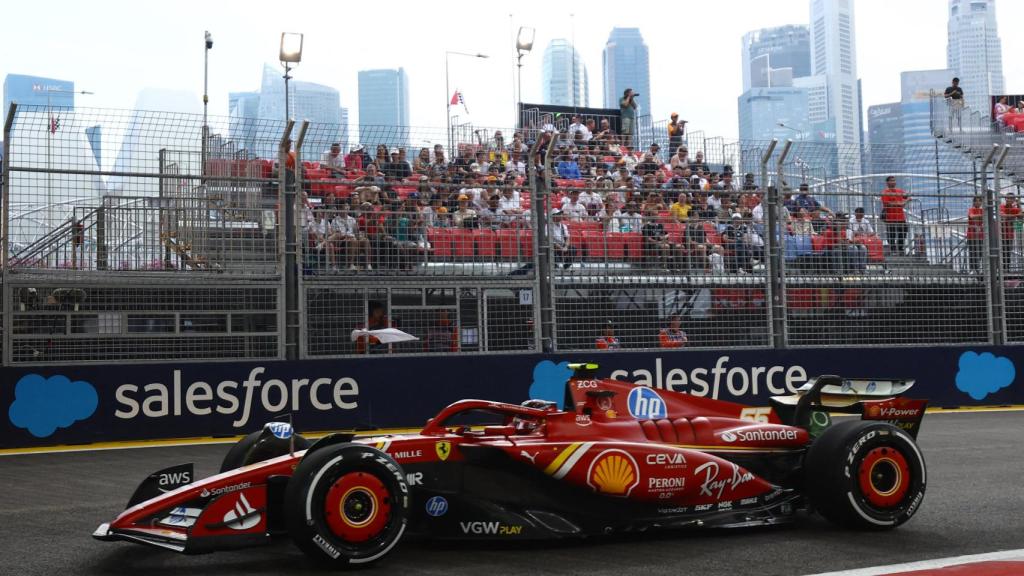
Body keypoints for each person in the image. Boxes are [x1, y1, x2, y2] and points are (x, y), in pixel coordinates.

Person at [881, 176, 909, 255]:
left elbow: (905, 197)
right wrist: (901, 203)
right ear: (887, 183)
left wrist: (904, 200)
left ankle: (900, 248)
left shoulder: (899, 191)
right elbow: (887, 204)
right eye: (891, 180)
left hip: (900, 217)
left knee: (903, 231)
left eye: (894, 180)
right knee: (891, 234)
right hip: (890, 217)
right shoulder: (885, 192)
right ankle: (893, 249)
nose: (893, 182)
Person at [1001, 194, 1022, 272]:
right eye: (1008, 198)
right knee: (1002, 251)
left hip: (1009, 234)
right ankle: (1002, 269)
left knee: (1007, 252)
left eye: (1011, 199)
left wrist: (1019, 205)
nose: (1009, 200)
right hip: (1000, 234)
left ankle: (1006, 269)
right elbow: (1002, 215)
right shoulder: (1002, 206)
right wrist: (1015, 215)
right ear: (1005, 199)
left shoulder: (1014, 208)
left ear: (1013, 200)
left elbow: (1022, 215)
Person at [966, 196, 984, 273]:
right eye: (976, 201)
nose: (978, 202)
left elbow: (974, 217)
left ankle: (977, 268)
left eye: (979, 201)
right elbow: (972, 216)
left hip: (980, 235)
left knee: (979, 252)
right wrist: (981, 217)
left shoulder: (982, 210)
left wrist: (979, 217)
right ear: (973, 202)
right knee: (972, 252)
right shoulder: (971, 209)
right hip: (971, 235)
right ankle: (973, 269)